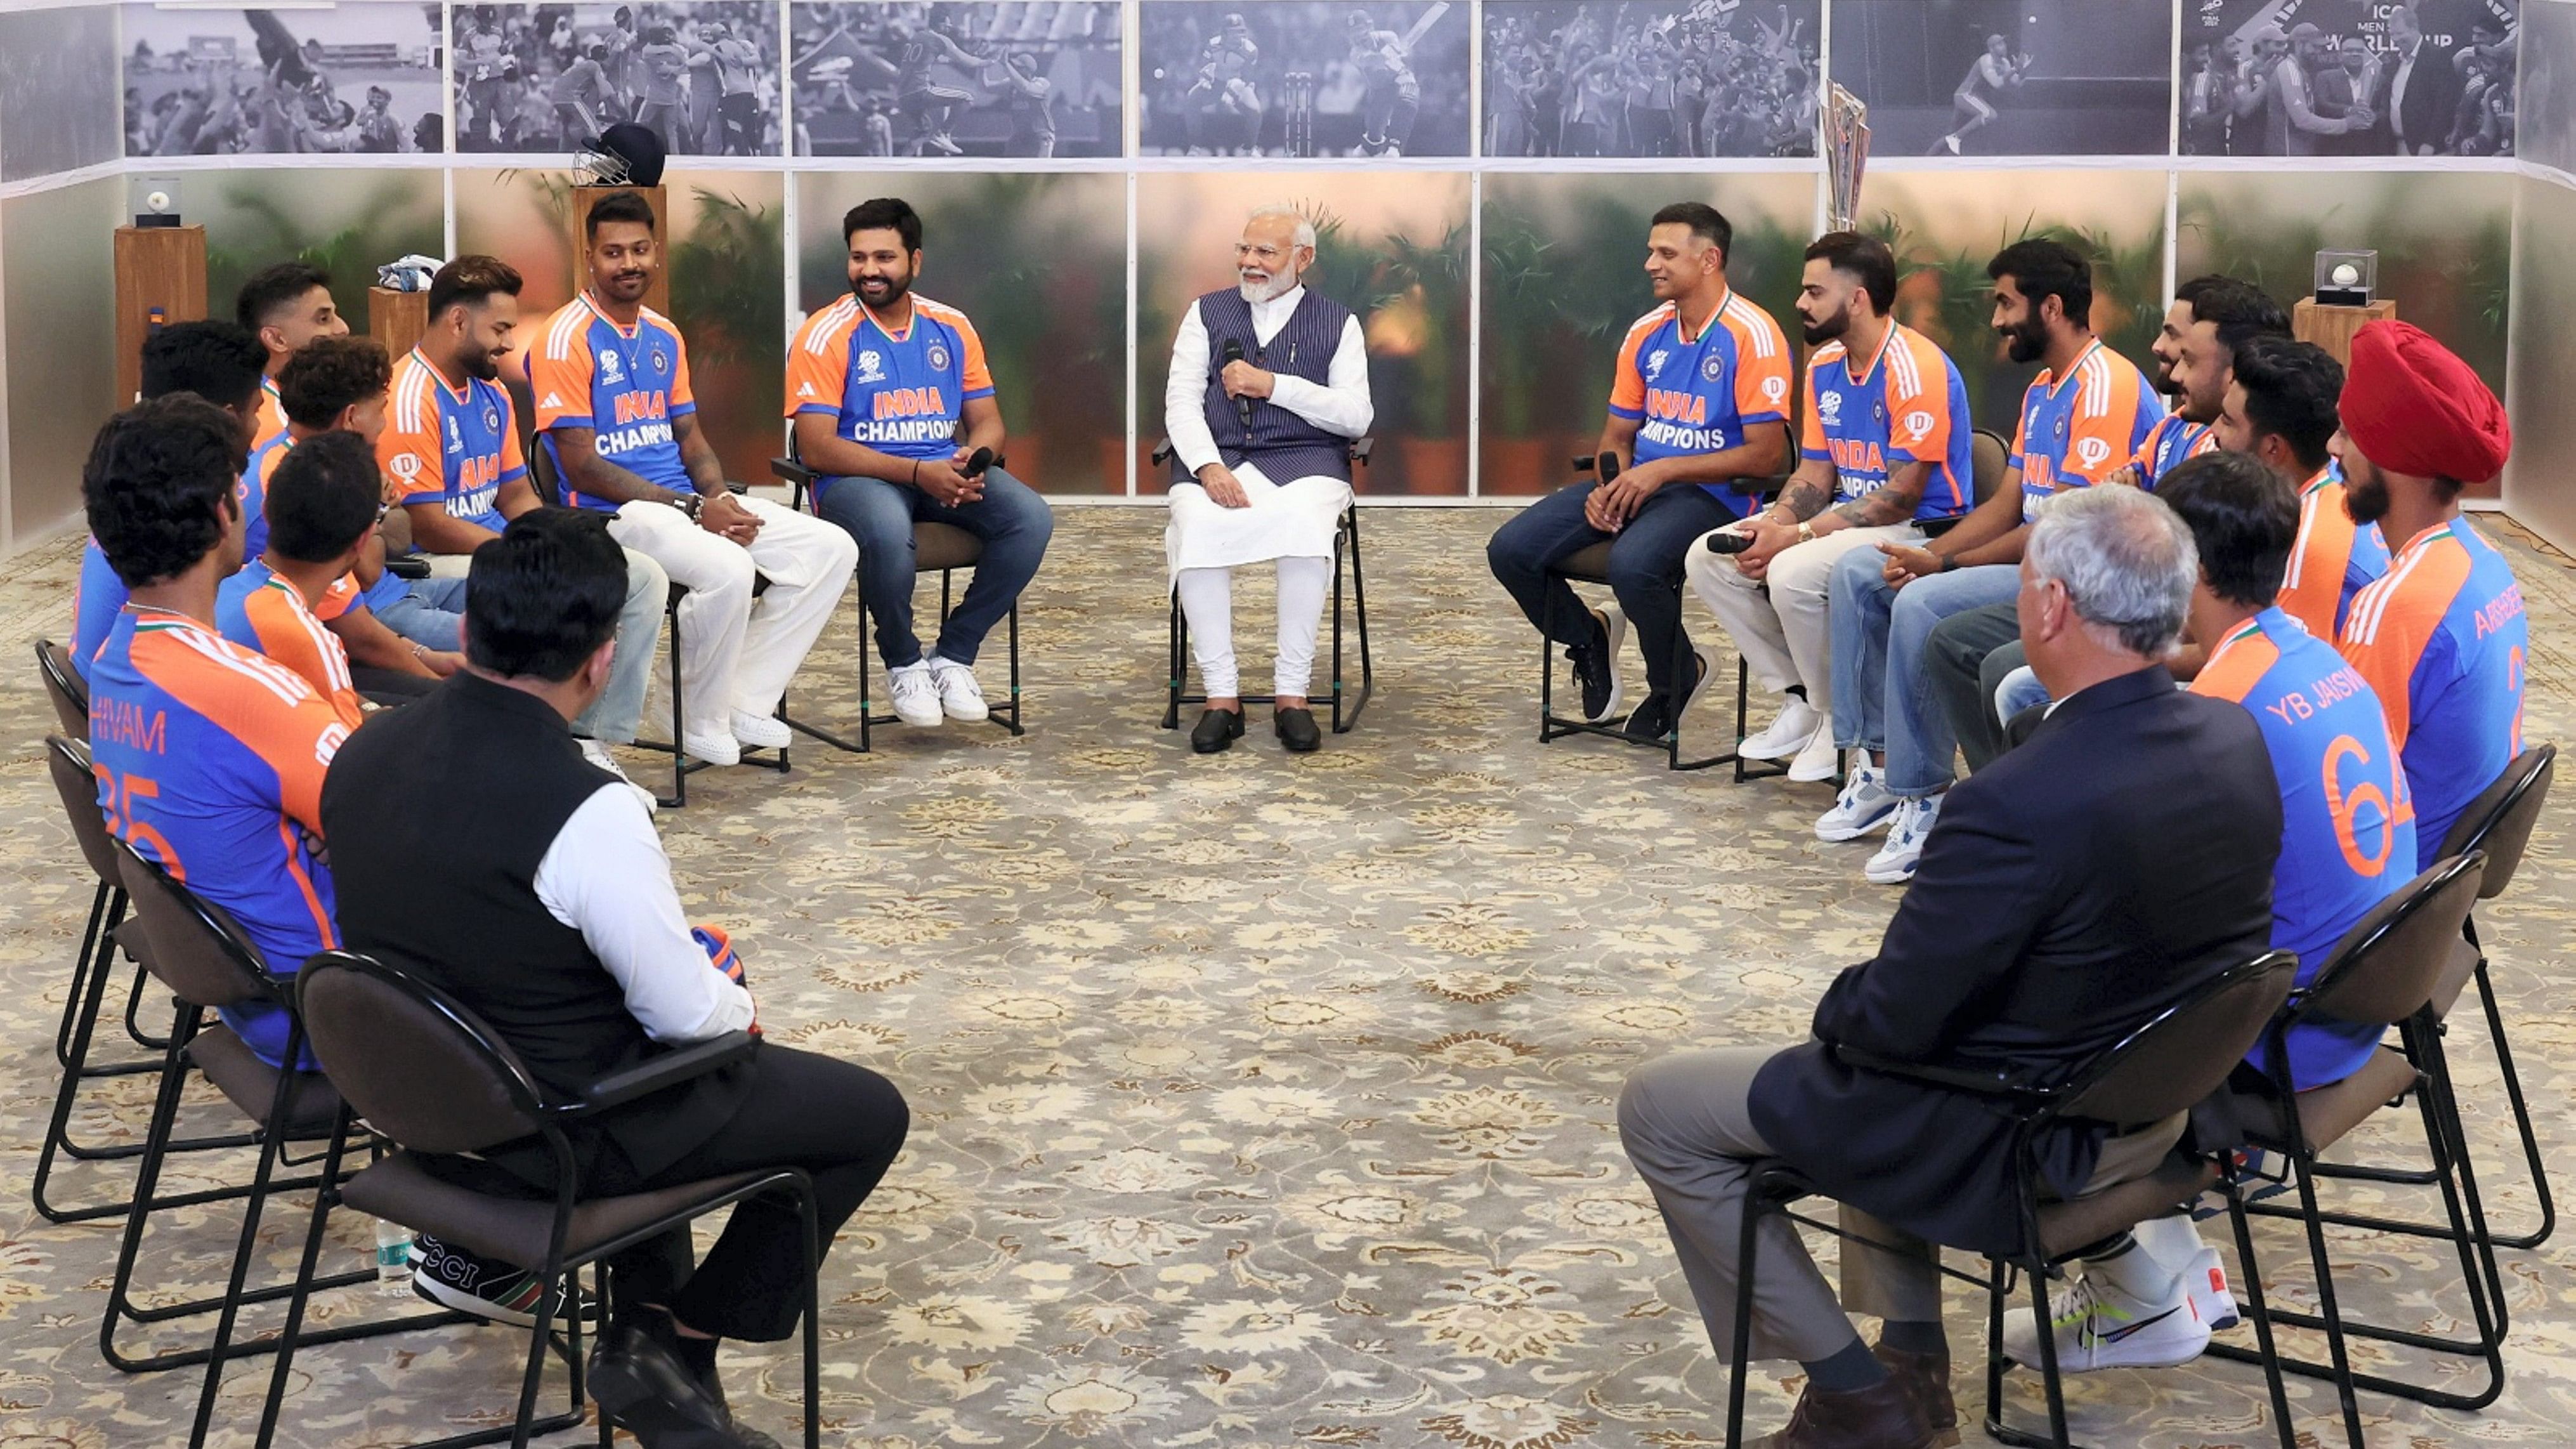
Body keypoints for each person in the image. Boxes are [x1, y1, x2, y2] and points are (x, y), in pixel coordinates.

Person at [1618, 484, 2279, 1449]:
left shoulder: (2015, 800)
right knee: (1882, 1061)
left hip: (2024, 1134)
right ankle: (1913, 1362)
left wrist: (1840, 1008)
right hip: (2155, 1109)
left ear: (2049, 607)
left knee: (1665, 1107)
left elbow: (1891, 1019)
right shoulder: (2234, 735)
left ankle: (1858, 1396)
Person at [321, 510, 909, 1449]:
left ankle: (661, 1364)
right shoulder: (588, 807)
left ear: (467, 630)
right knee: (862, 1112)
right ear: (601, 660)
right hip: (553, 1129)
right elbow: (683, 1014)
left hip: (411, 1100)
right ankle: (674, 1338)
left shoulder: (361, 749)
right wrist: (736, 998)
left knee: (639, 1036)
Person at [1999, 451, 2413, 1374]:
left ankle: (2139, 1287)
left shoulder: (2217, 707)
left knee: (2019, 1017)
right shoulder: (2316, 657)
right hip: (2367, 994)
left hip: (2279, 1039)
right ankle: (2174, 1264)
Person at [1821, 240, 2160, 882]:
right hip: (2034, 561)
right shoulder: (2042, 388)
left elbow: (2061, 532)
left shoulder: (2104, 386)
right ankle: (1874, 768)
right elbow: (2008, 504)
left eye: (2006, 302)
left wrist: (1942, 570)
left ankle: (1923, 798)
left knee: (1919, 604)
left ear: (2051, 307)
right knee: (1867, 571)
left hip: (2079, 581)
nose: (1997, 319)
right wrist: (1930, 551)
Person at [533, 190, 858, 770]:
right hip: (611, 516)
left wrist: (717, 497)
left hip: (684, 506)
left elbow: (689, 436)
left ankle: (741, 697)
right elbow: (580, 464)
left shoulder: (664, 335)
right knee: (728, 568)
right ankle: (687, 711)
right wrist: (690, 508)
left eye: (639, 250)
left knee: (831, 546)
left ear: (656, 252)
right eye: (613, 252)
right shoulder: (565, 337)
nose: (628, 263)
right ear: (590, 257)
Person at [83, 396, 355, 1072]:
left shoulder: (113, 664)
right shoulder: (249, 692)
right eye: (241, 486)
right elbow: (397, 831)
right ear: (221, 515)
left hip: (250, 997)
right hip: (338, 1010)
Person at [1943, 277, 2292, 761]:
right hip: (2123, 602)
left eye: (2182, 347)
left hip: (2143, 618)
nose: (2158, 348)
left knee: (2010, 673)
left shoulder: (2234, 467)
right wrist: (1948, 560)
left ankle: (2025, 806)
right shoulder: (2172, 427)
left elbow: (2166, 567)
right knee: (1957, 638)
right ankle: (1995, 804)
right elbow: (2105, 508)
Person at [1485, 203, 1794, 746]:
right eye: (1651, 251)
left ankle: (1676, 679)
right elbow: (1617, 437)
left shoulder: (1753, 334)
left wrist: (1662, 472)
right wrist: (1609, 487)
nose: (1650, 263)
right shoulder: (1647, 332)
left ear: (1709, 260)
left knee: (1634, 566)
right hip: (1643, 482)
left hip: (1715, 495)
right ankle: (1587, 638)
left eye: (1666, 253)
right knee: (1510, 549)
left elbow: (1767, 457)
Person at [1687, 232, 1972, 784]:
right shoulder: (1825, 367)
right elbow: (1815, 473)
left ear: (1858, 298)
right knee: (1709, 557)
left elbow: (1902, 493)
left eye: (1814, 292)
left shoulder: (1915, 365)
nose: (1800, 302)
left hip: (1920, 528)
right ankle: (1801, 700)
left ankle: (1833, 718)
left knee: (1792, 570)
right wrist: (1771, 525)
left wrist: (1794, 539)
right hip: (1847, 517)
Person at [379, 255, 669, 756]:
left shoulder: (492, 392)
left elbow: (515, 494)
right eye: (501, 329)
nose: (510, 343)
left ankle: (592, 739)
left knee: (642, 577)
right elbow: (427, 524)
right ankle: (552, 745)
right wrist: (528, 554)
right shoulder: (409, 395)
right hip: (435, 563)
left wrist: (554, 541)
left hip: (495, 547)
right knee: (560, 595)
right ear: (457, 321)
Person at [787, 198, 1052, 730]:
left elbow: (988, 421)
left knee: (1031, 519)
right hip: (855, 479)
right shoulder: (826, 331)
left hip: (938, 472)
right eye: (858, 258)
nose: (869, 271)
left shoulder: (950, 325)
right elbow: (815, 446)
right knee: (887, 532)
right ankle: (904, 661)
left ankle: (953, 656)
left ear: (915, 260)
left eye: (884, 257)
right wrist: (916, 473)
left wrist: (973, 461)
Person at [1163, 206, 1373, 756]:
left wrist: (1274, 385)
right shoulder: (1205, 313)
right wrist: (1207, 466)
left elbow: (1356, 417)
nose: (1249, 263)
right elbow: (1180, 402)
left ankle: (1292, 696)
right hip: (1219, 457)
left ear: (1302, 259)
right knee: (1201, 526)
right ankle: (1220, 697)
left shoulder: (1338, 321)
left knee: (1305, 526)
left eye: (1265, 252)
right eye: (1243, 250)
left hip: (1305, 459)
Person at [2332, 320, 2525, 869]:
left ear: (2392, 457)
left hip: (2390, 884)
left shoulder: (2396, 605)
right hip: (2442, 884)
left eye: (2348, 434)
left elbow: (2341, 792)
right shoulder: (2486, 564)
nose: (2332, 447)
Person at [74, 321, 272, 681]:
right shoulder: (203, 503)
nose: (260, 427)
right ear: (228, 419)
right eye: (257, 411)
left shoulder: (129, 482)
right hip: (157, 685)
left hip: (113, 686)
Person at [2216, 336, 2387, 642]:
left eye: (2228, 423)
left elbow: (2271, 659)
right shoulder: (2333, 480)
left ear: (2273, 448)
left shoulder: (2307, 539)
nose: (2214, 432)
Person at [214, 431, 380, 724]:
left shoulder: (224, 588)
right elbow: (352, 752)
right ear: (362, 541)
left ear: (266, 512)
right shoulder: (306, 638)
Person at [235, 260, 348, 449]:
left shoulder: (308, 398)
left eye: (335, 315)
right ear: (276, 339)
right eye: (323, 319)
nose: (343, 329)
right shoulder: (267, 424)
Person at [2386, 4, 2465, 157]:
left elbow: (2445, 105)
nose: (2395, 40)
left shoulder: (2437, 57)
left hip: (2424, 149)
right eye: (2392, 35)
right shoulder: (2394, 63)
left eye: (2400, 33)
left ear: (2414, 28)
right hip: (2396, 146)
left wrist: (2431, 142)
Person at [1933, 33, 2027, 156]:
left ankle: (1929, 158)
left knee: (1950, 133)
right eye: (1999, 44)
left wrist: (2022, 70)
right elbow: (1997, 83)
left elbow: (2016, 83)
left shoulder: (2005, 63)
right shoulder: (1986, 60)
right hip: (1965, 96)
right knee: (1990, 115)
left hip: (1975, 100)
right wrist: (2015, 69)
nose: (2003, 46)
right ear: (1991, 49)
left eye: (2003, 43)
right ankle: (1955, 139)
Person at [1347, 8, 1422, 157]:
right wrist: (1384, 55)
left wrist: (1396, 51)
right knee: (1372, 143)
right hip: (1379, 92)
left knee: (1408, 96)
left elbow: (1400, 60)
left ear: (1370, 27)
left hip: (1399, 80)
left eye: (1360, 30)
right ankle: (1369, 146)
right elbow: (1369, 60)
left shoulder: (1389, 37)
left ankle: (1395, 146)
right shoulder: (1355, 53)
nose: (1357, 36)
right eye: (1353, 32)